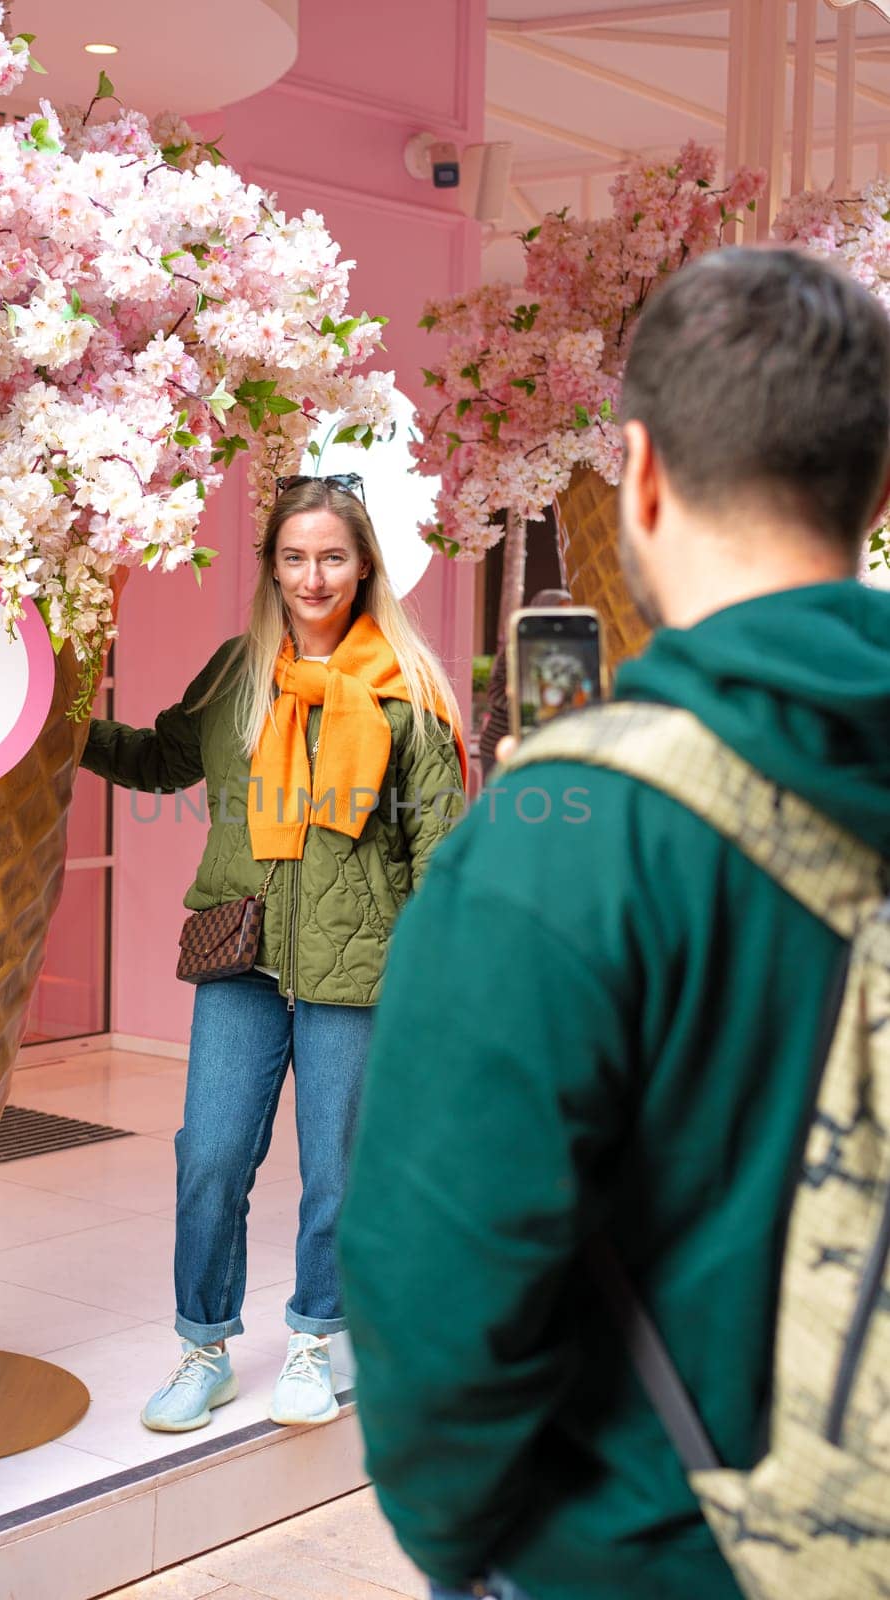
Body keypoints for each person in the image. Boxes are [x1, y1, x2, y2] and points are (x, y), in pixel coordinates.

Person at [338, 247, 890, 1599]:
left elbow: (435, 1283)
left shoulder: (559, 835)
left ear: (637, 471)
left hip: (646, 1550)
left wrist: (476, 1551)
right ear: (876, 490)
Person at [81, 473, 465, 1432]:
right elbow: (160, 759)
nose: (312, 575)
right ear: (271, 568)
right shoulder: (235, 674)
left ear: (363, 564)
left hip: (360, 968)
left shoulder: (406, 692)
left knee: (337, 1170)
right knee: (208, 1157)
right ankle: (202, 1348)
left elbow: (442, 855)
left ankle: (312, 1342)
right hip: (240, 953)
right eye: (294, 557)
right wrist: (57, 726)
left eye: (331, 556)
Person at [477, 588, 571, 779]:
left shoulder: (563, 653)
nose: (565, 619)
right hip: (499, 744)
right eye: (559, 612)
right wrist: (527, 707)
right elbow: (495, 693)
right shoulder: (516, 647)